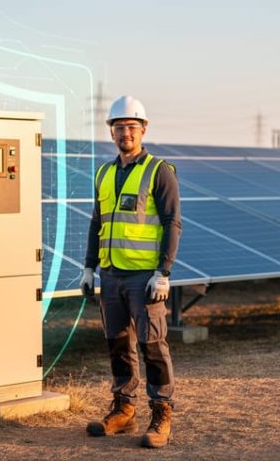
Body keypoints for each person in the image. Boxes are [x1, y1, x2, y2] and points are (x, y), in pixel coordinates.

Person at [80, 95, 182, 449]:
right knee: (117, 343)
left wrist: (164, 271)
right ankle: (124, 409)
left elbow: (172, 223)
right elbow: (97, 223)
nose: (125, 133)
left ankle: (161, 413)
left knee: (152, 345)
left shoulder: (159, 171)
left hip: (145, 278)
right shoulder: (104, 173)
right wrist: (89, 268)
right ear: (111, 132)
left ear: (143, 130)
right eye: (118, 127)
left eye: (131, 127)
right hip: (110, 275)